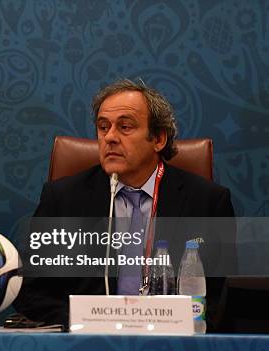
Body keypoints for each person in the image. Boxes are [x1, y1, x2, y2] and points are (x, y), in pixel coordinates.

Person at [13, 79, 236, 331]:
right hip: (86, 347)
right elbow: (29, 291)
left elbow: (220, 299)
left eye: (125, 127)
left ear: (159, 138)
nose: (109, 137)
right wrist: (87, 322)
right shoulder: (63, 199)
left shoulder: (207, 202)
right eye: (103, 127)